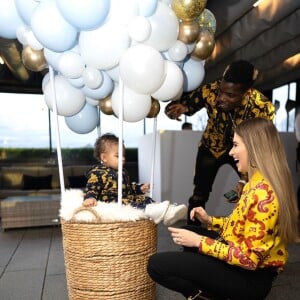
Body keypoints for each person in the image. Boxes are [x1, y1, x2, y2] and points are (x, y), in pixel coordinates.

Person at [147, 118, 299, 300]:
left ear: (254, 147)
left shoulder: (264, 195)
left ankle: (205, 296)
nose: (231, 152)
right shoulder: (256, 182)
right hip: (244, 261)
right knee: (188, 231)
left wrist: (199, 242)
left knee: (156, 265)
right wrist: (210, 220)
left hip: (250, 278)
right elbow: (242, 226)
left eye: (235, 145)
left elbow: (249, 260)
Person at [165, 60, 275, 225]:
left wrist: (245, 179)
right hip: (211, 148)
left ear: (246, 93)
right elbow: (185, 104)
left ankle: (248, 234)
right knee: (199, 195)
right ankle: (191, 240)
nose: (221, 98)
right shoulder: (212, 90)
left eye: (230, 95)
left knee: (254, 190)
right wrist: (177, 109)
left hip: (243, 152)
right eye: (221, 92)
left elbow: (259, 148)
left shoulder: (262, 108)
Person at [82, 133, 187, 226]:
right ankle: (158, 211)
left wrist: (139, 188)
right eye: (118, 156)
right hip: (112, 202)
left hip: (126, 198)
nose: (123, 158)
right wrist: (90, 197)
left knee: (144, 199)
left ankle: (168, 212)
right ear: (104, 157)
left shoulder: (123, 172)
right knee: (132, 206)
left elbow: (128, 187)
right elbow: (92, 187)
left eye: (123, 155)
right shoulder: (98, 172)